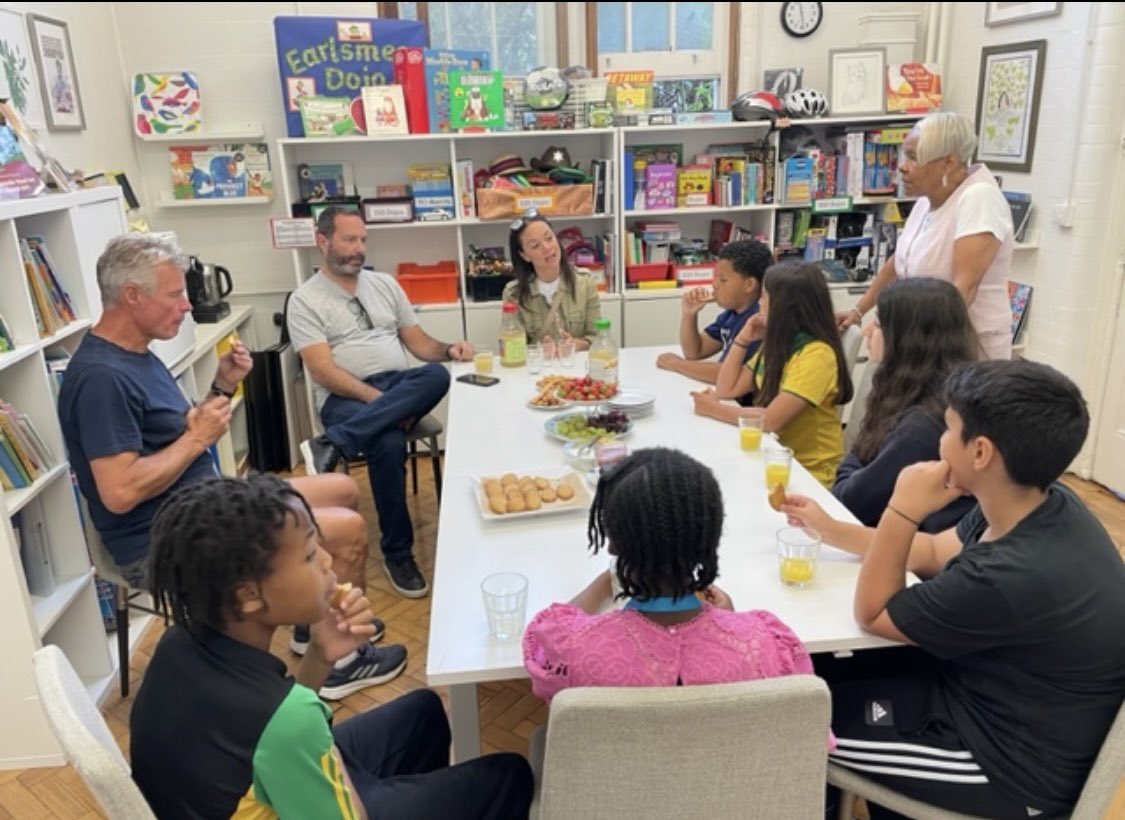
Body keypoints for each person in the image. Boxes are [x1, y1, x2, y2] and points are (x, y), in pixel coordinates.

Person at [57, 233, 404, 700]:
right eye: (175, 293)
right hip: (162, 542)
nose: (186, 306)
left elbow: (179, 434)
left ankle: (308, 620)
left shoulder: (136, 352)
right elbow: (119, 492)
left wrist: (221, 388)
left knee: (340, 486)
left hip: (202, 505)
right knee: (345, 530)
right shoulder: (102, 379)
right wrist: (197, 438)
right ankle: (342, 661)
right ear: (132, 296)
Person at [782, 360, 1125, 818]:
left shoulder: (1007, 574)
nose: (939, 441)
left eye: (947, 429)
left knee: (791, 720)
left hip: (1005, 767)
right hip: (986, 697)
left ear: (980, 452)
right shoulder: (1036, 500)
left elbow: (873, 612)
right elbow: (931, 550)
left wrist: (903, 507)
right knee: (821, 678)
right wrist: (829, 528)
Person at [132, 475, 533, 820]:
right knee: (507, 776)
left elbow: (263, 743)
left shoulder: (178, 641)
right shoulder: (290, 720)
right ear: (248, 594)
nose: (327, 561)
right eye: (309, 554)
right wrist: (331, 764)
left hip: (260, 784)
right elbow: (286, 731)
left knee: (423, 712)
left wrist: (321, 655)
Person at [523, 448, 819, 704]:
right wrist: (729, 617)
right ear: (711, 539)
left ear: (613, 544)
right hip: (724, 769)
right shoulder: (763, 641)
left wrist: (606, 581)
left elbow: (541, 639)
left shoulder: (573, 648)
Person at [289, 206, 474, 599]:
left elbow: (420, 344)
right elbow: (322, 370)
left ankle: (333, 443)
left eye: (363, 240)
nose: (359, 249)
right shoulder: (304, 300)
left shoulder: (385, 284)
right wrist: (386, 403)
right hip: (343, 397)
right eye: (349, 240)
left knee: (437, 375)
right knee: (387, 440)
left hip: (395, 386)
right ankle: (398, 553)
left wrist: (449, 349)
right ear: (322, 242)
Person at [838, 112, 1015, 360]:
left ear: (948, 163)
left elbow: (963, 290)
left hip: (961, 346)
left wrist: (909, 341)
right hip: (920, 339)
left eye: (913, 157)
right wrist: (859, 311)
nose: (901, 166)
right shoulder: (927, 200)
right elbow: (900, 263)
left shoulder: (979, 199)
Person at [832, 278, 979, 531]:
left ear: (907, 340)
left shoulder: (922, 424)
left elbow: (850, 502)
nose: (867, 331)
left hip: (913, 553)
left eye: (877, 324)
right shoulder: (930, 391)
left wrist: (854, 463)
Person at [693, 260, 853, 486]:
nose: (759, 303)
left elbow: (770, 420)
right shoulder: (776, 343)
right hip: (771, 455)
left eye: (765, 297)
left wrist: (713, 409)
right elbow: (726, 389)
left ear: (785, 307)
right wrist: (742, 339)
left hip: (808, 472)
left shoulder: (816, 355)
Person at [655, 239, 772, 386]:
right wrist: (689, 314)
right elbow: (695, 351)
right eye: (715, 277)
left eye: (723, 279)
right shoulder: (732, 312)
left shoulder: (759, 320)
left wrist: (677, 364)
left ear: (749, 285)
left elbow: (728, 374)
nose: (714, 284)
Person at [503, 209, 601, 351]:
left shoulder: (585, 282)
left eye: (549, 238)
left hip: (574, 367)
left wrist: (576, 344)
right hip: (537, 369)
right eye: (535, 245)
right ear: (524, 255)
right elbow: (511, 348)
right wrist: (538, 350)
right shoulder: (513, 294)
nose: (547, 248)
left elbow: (596, 337)